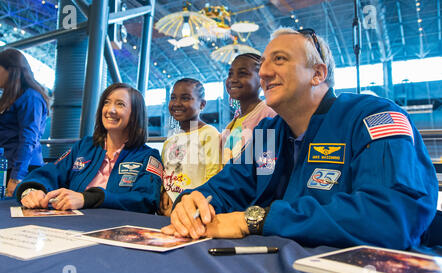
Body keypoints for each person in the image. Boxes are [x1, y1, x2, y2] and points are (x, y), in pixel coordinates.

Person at [161, 27, 438, 250]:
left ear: (318, 73)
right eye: (264, 63)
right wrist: (192, 202)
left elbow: (391, 217)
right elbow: (223, 190)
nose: (265, 72)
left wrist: (254, 221)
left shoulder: (374, 117)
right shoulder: (266, 133)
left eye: (279, 60)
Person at [15, 82, 162, 213]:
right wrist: (32, 191)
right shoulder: (85, 146)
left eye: (120, 104)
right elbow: (51, 172)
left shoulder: (148, 156)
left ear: (135, 114)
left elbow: (146, 200)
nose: (110, 110)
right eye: (106, 102)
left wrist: (88, 199)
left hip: (118, 231)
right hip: (72, 227)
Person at [160, 78, 221, 215]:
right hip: (166, 212)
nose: (177, 103)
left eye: (185, 98)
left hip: (191, 211)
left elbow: (213, 178)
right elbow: (164, 175)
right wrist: (163, 195)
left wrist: (191, 205)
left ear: (202, 104)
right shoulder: (170, 141)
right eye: (173, 98)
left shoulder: (209, 134)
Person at [0, 48, 50, 197]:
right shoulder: (12, 97)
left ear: (10, 70)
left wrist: (16, 177)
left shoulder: (31, 97)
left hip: (22, 168)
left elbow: (28, 139)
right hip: (8, 166)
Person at [221, 53, 276, 164]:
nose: (233, 79)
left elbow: (266, 165)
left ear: (262, 79)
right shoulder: (233, 123)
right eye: (230, 74)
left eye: (242, 74)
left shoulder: (268, 115)